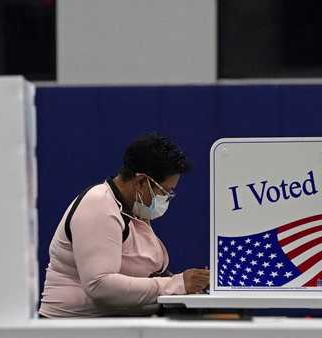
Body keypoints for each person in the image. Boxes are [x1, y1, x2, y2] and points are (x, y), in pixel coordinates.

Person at [39, 133, 210, 318]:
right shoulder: (99, 205)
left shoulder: (132, 209)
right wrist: (176, 284)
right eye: (165, 192)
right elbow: (100, 285)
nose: (167, 199)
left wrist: (190, 283)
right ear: (141, 182)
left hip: (109, 324)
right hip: (70, 329)